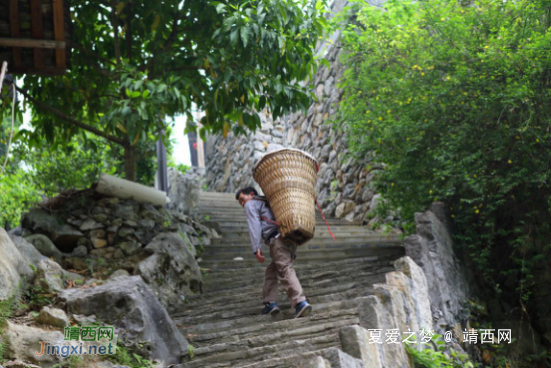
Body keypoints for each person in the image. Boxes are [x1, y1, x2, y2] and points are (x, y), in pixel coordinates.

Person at [236, 186, 312, 319]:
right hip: (289, 238)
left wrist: (256, 248)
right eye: (241, 203)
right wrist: (293, 253)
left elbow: (254, 224)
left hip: (277, 240)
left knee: (285, 269)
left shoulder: (251, 203)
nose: (243, 204)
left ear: (252, 194)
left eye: (243, 199)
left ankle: (300, 302)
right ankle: (270, 303)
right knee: (272, 270)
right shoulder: (272, 203)